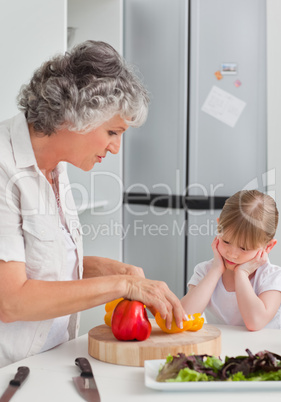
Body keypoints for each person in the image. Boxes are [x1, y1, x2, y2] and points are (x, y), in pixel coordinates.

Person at [0, 40, 187, 367]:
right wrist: (122, 284)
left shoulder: (54, 164)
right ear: (77, 116)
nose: (116, 148)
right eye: (113, 132)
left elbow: (38, 261)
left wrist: (112, 270)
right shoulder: (5, 168)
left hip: (48, 363)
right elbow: (11, 300)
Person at [181, 189, 281, 331]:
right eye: (226, 241)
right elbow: (184, 316)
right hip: (223, 349)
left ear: (268, 246)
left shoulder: (272, 277)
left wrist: (242, 274)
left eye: (244, 248)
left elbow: (255, 323)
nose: (232, 254)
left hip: (263, 351)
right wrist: (216, 270)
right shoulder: (206, 271)